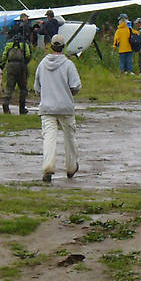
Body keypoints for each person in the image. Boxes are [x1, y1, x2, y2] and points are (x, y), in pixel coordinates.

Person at [34, 34, 82, 183]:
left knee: (49, 138)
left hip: (47, 108)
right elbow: (76, 86)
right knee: (70, 137)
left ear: (51, 46)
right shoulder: (68, 64)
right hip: (65, 107)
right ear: (63, 47)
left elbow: (37, 88)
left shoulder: (42, 64)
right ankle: (71, 167)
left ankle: (48, 167)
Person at [0, 33, 32, 114]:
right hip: (21, 66)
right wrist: (25, 63)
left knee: (9, 87)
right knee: (23, 89)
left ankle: (6, 105)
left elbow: (4, 55)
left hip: (10, 66)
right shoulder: (24, 44)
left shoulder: (9, 44)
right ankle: (22, 109)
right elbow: (28, 55)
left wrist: (1, 66)